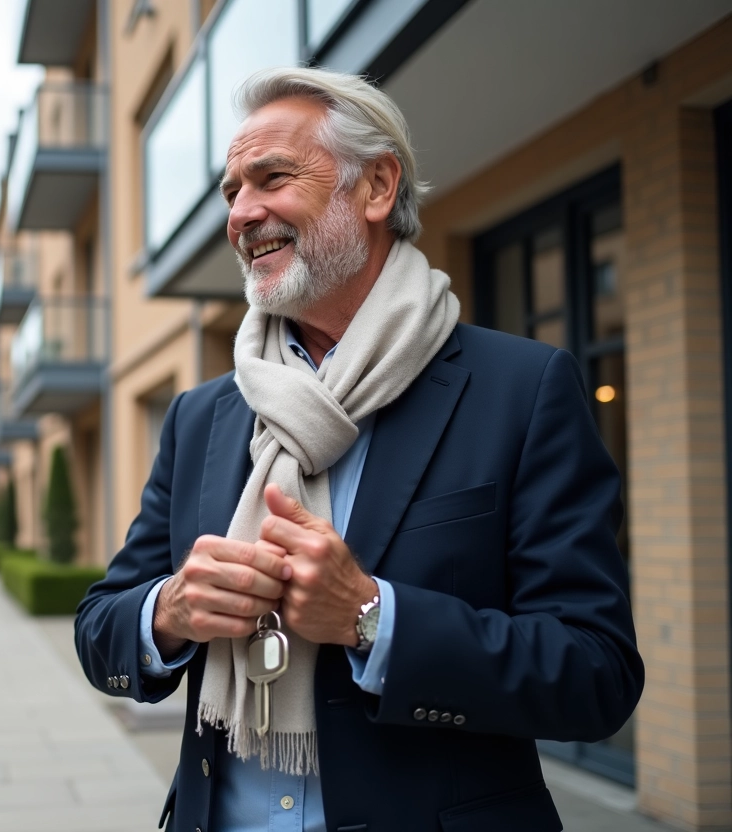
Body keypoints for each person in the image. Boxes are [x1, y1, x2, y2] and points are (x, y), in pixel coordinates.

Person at [75, 68, 643, 832]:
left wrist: (373, 618)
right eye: (231, 192)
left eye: (272, 178)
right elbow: (100, 629)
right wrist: (170, 610)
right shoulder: (200, 417)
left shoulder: (522, 388)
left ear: (376, 187)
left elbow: (596, 674)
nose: (241, 213)